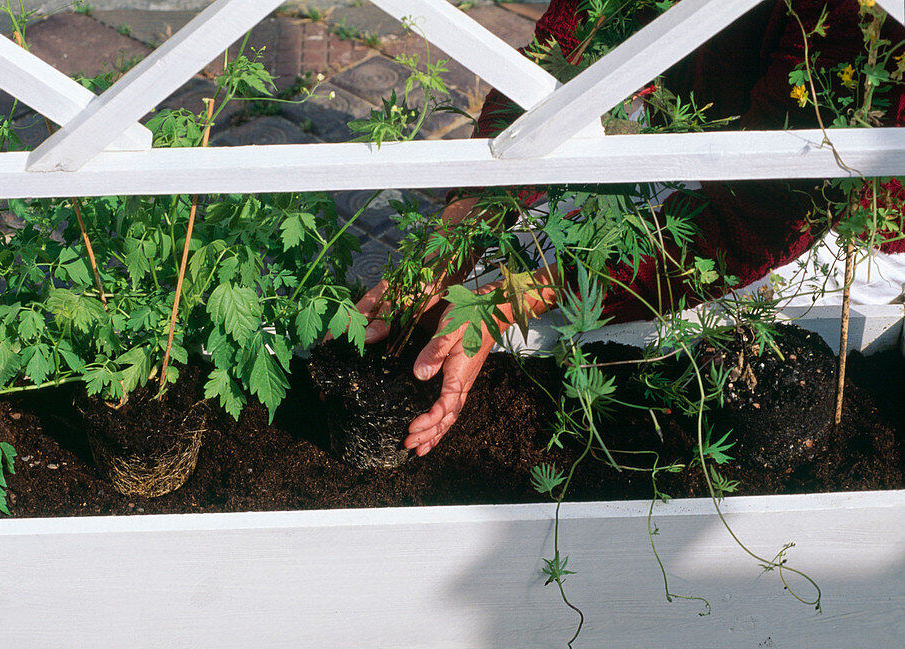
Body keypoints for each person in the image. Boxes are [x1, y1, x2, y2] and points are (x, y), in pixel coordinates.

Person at [357, 0, 905, 457]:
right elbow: (563, 48)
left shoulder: (863, 16)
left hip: (839, 228)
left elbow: (755, 220)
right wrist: (464, 223)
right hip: (694, 133)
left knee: (549, 332)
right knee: (470, 281)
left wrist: (512, 298)